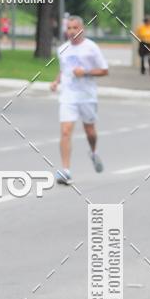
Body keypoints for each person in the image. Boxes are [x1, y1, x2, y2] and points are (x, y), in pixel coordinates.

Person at [50, 15, 109, 185]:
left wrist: (86, 72)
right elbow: (64, 69)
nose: (71, 31)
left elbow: (104, 70)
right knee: (66, 131)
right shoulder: (62, 49)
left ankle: (93, 152)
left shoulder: (91, 48)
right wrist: (56, 81)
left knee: (90, 132)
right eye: (69, 28)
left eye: (75, 28)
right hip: (68, 96)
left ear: (82, 29)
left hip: (87, 96)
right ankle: (66, 171)